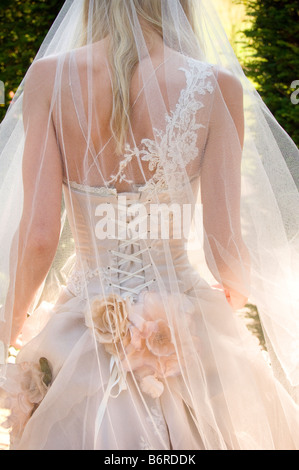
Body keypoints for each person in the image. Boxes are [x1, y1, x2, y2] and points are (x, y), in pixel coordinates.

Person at [0, 0, 299, 450]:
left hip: (81, 324)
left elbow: (39, 238)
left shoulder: (48, 79)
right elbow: (225, 250)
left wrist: (8, 327)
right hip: (182, 330)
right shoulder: (216, 89)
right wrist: (233, 301)